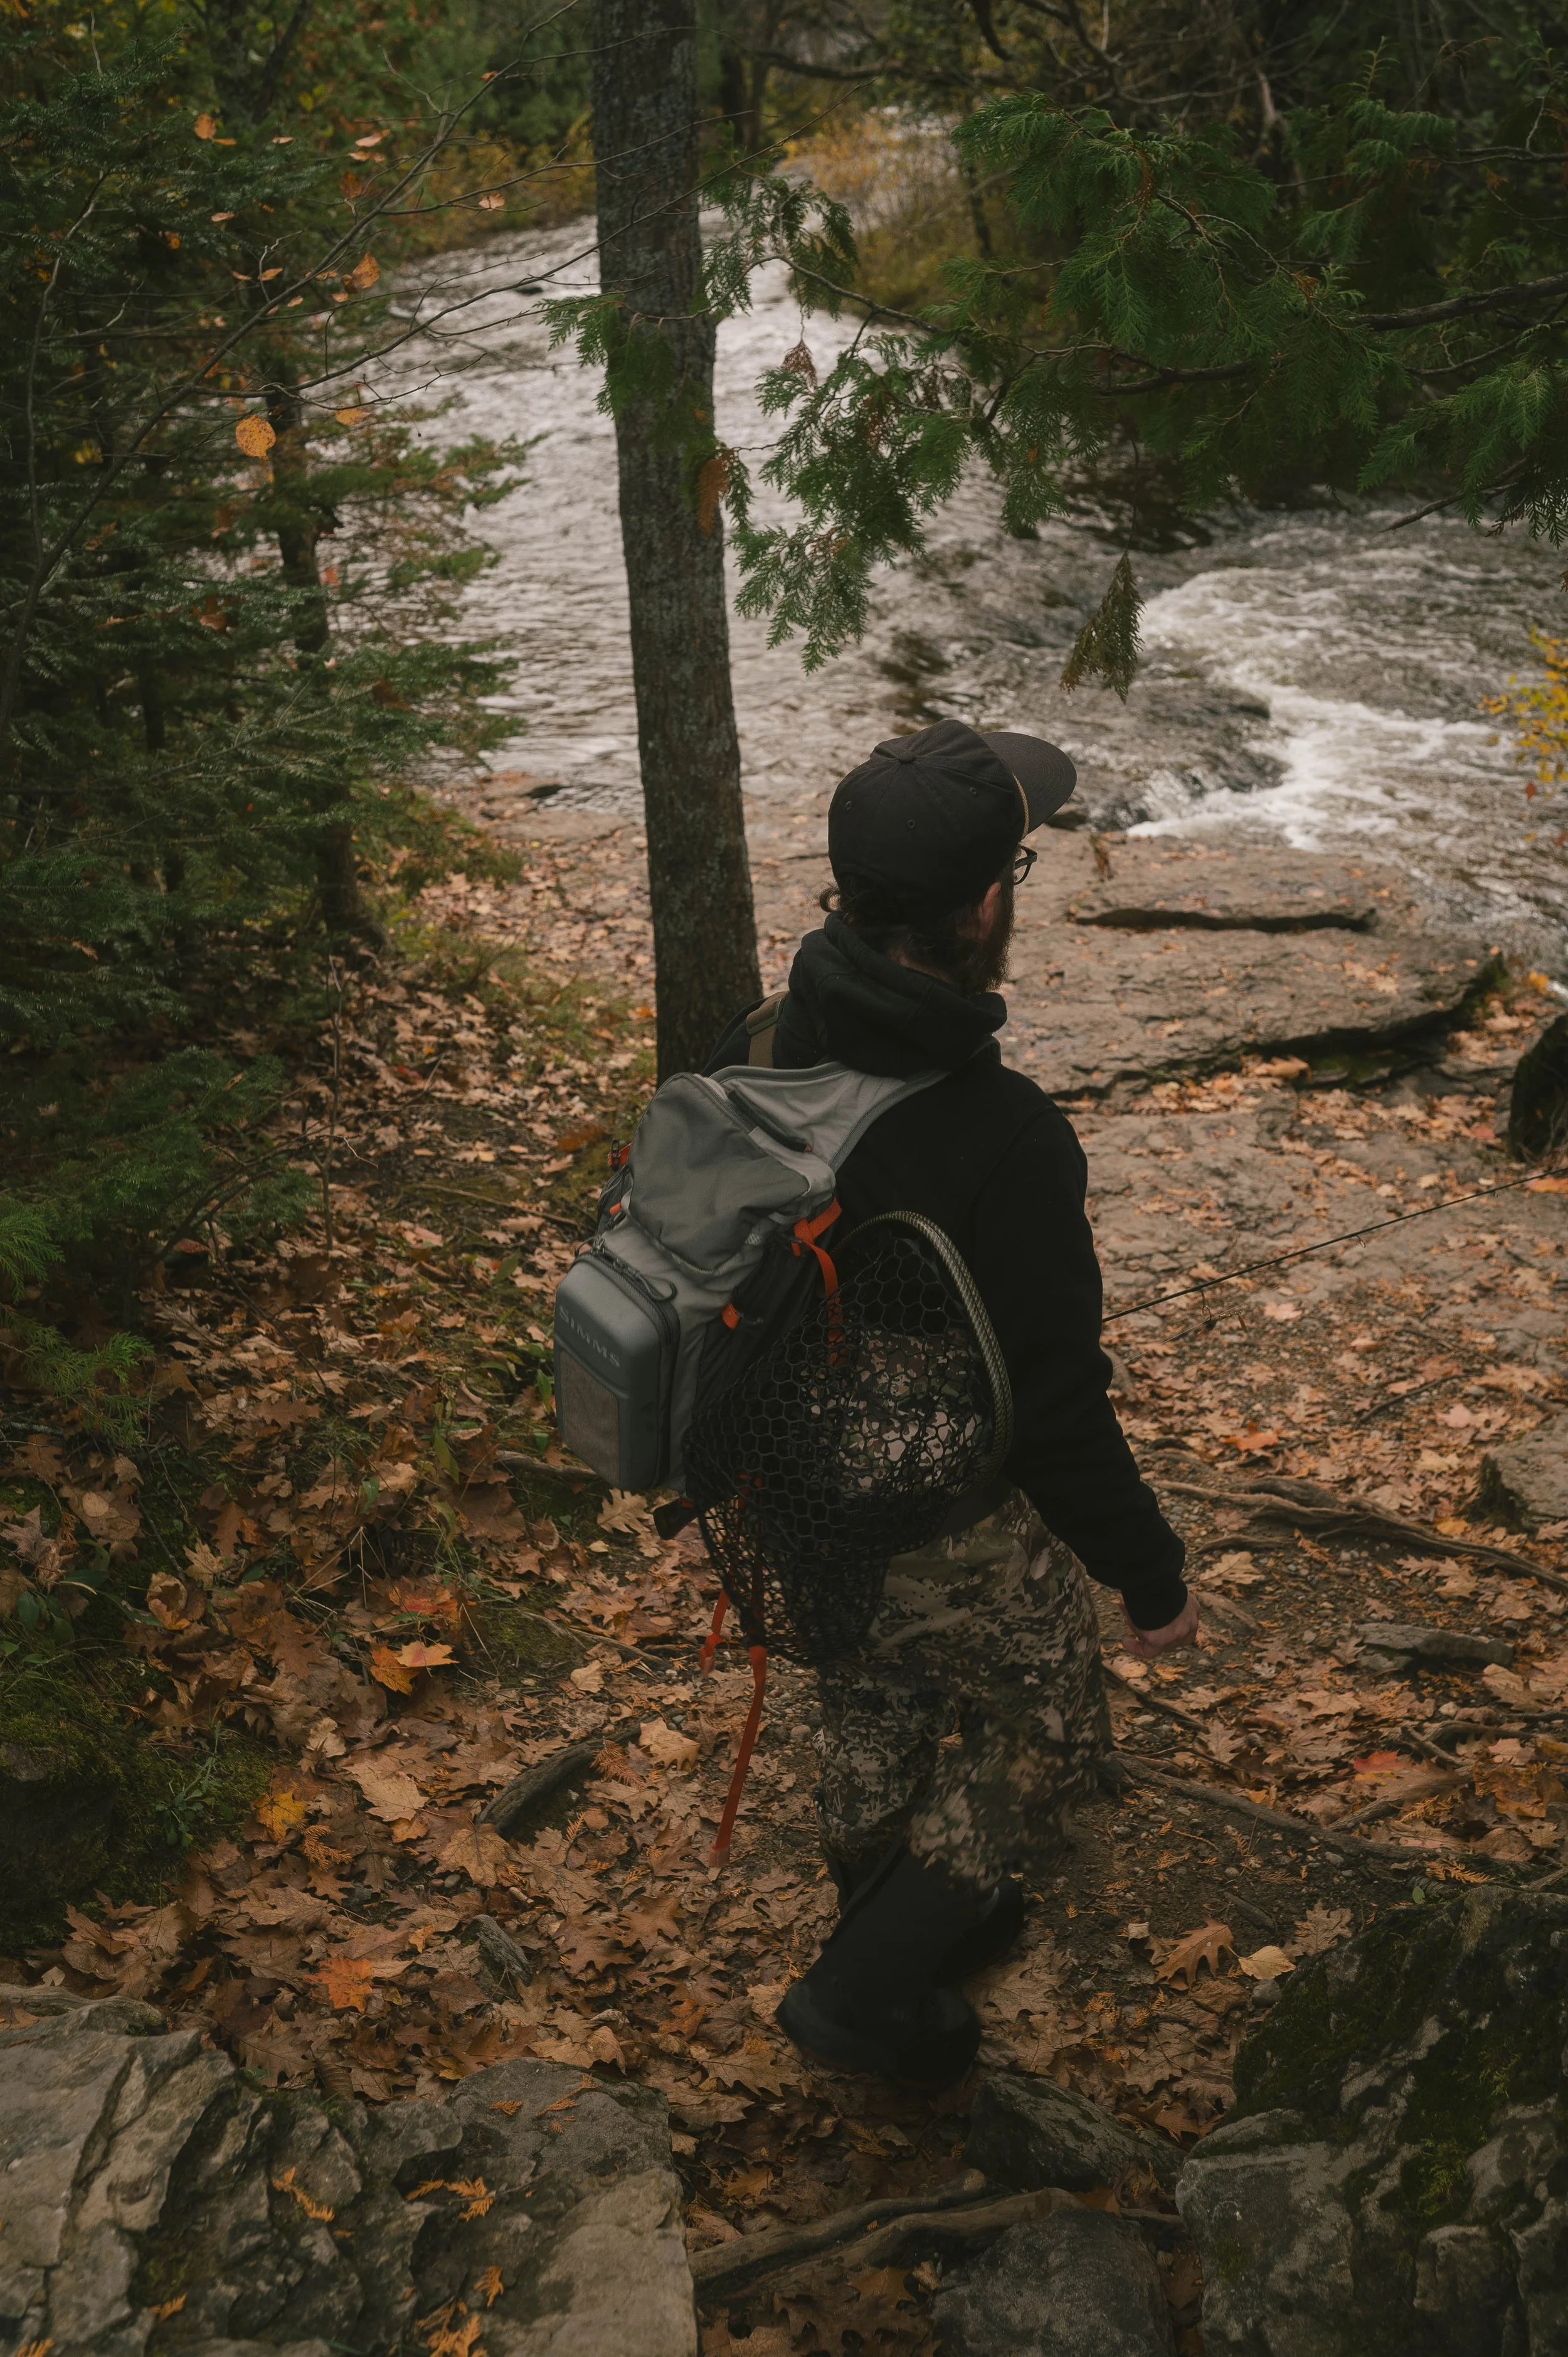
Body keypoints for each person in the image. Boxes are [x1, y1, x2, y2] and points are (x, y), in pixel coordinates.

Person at [704, 718, 1197, 2087]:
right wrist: (1146, 1578)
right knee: (1043, 1732)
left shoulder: (763, 1039)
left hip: (792, 1491)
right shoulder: (1007, 1138)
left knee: (868, 1697)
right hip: (939, 1518)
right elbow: (1054, 1414)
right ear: (986, 908)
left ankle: (906, 1918)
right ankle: (863, 1992)